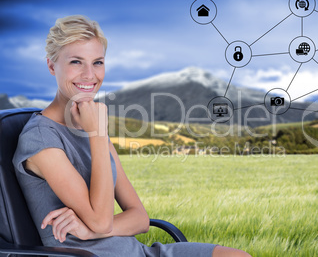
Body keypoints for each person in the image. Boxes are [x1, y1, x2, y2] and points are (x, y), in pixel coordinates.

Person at [12, 15, 251, 257]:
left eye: (97, 62)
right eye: (76, 62)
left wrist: (91, 232)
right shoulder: (41, 138)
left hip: (138, 252)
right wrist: (97, 134)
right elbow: (101, 220)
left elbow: (139, 218)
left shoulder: (90, 125)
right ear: (52, 66)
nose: (89, 75)